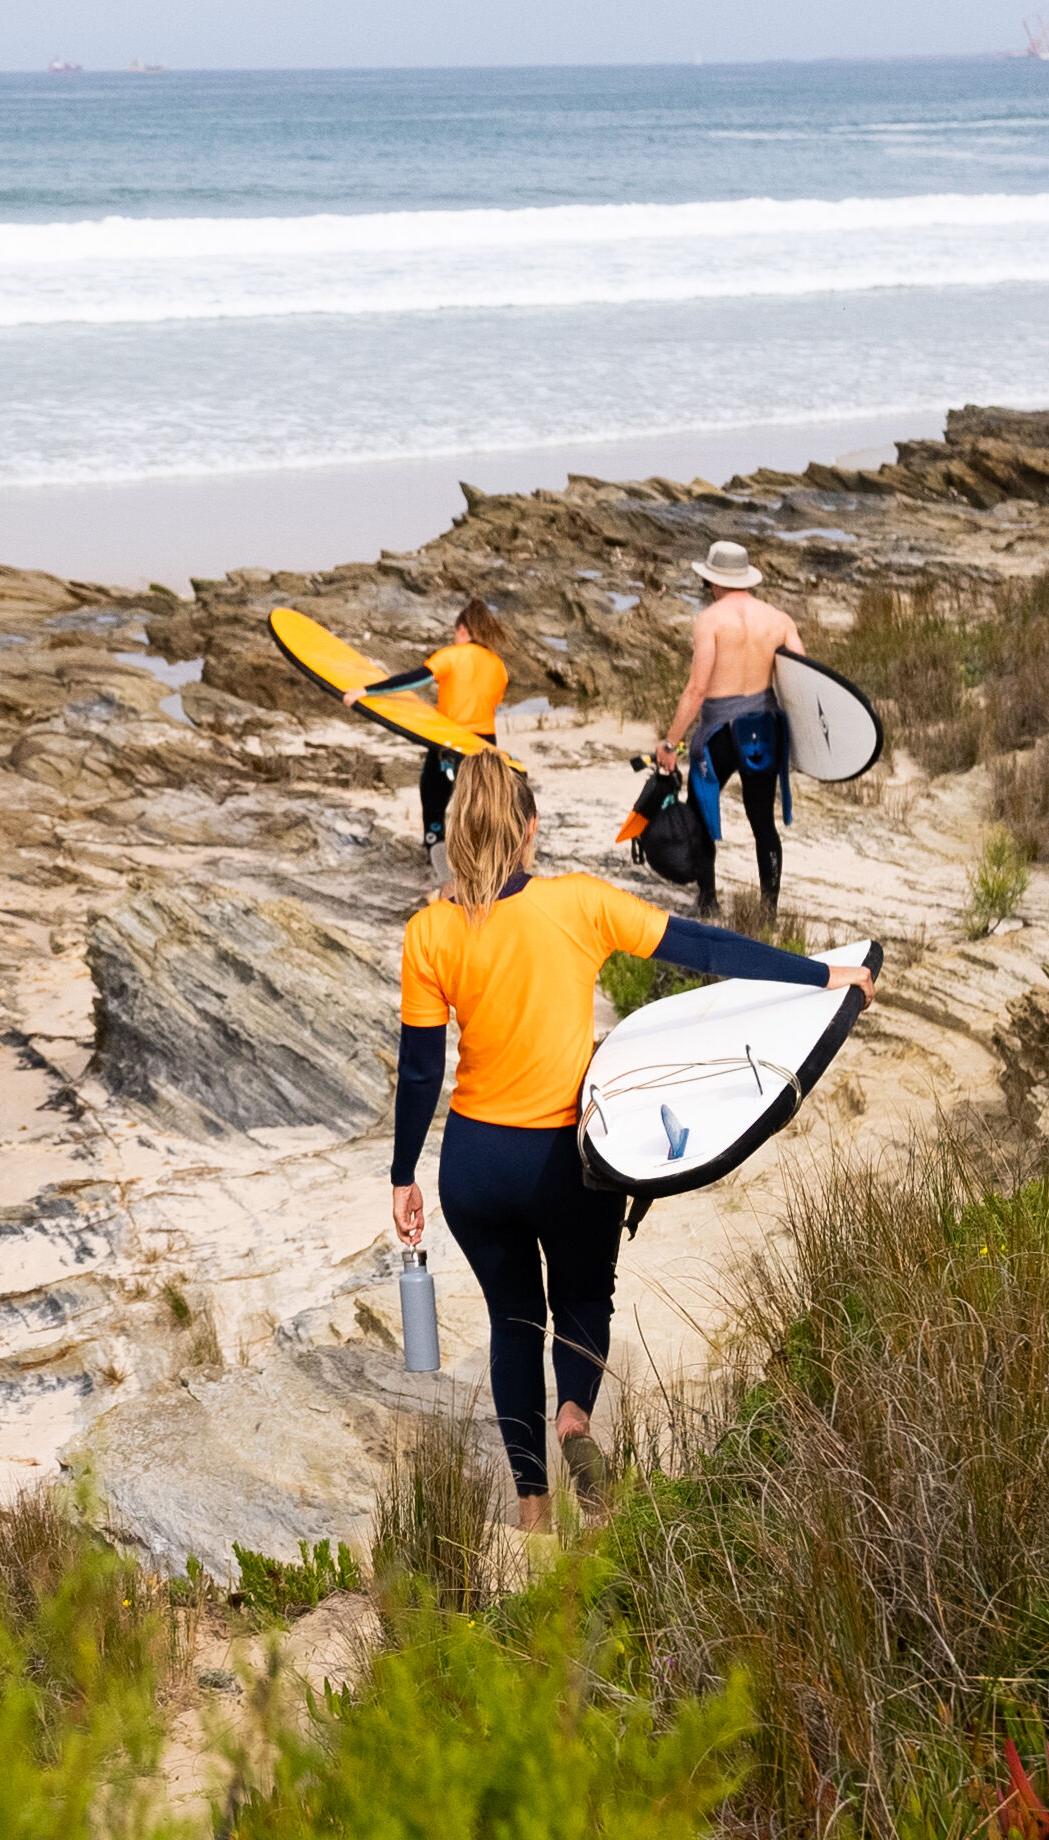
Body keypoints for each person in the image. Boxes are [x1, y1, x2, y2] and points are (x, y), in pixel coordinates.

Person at [387, 748, 873, 1531]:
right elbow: (707, 950)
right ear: (528, 829)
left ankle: (532, 1511)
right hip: (565, 1162)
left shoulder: (429, 933)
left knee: (513, 1323)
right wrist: (822, 978)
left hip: (475, 1167)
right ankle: (574, 1419)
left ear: (455, 832)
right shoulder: (580, 904)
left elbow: (418, 1074)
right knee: (582, 1296)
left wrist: (403, 1174)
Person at [653, 540, 806, 917]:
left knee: (702, 812)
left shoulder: (710, 621)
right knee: (762, 823)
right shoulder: (779, 619)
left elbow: (697, 690)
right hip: (762, 735)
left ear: (712, 581)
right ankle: (768, 910)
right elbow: (803, 680)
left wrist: (671, 744)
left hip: (719, 735)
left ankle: (708, 901)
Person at [343, 597, 511, 870]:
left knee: (433, 798)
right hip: (485, 744)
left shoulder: (452, 655)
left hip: (448, 740)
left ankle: (436, 858)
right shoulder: (499, 666)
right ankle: (484, 863)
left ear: (463, 630)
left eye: (456, 632)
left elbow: (416, 679)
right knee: (479, 806)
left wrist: (366, 691)